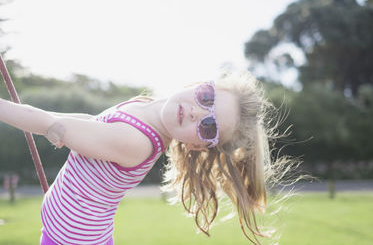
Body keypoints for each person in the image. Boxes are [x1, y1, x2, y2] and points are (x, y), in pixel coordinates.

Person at [0, 70, 293, 244]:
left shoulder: (137, 142)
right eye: (207, 97)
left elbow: (53, 127)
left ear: (197, 146)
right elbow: (89, 122)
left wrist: (45, 120)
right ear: (199, 84)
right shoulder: (143, 105)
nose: (197, 112)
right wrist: (47, 117)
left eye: (208, 126)